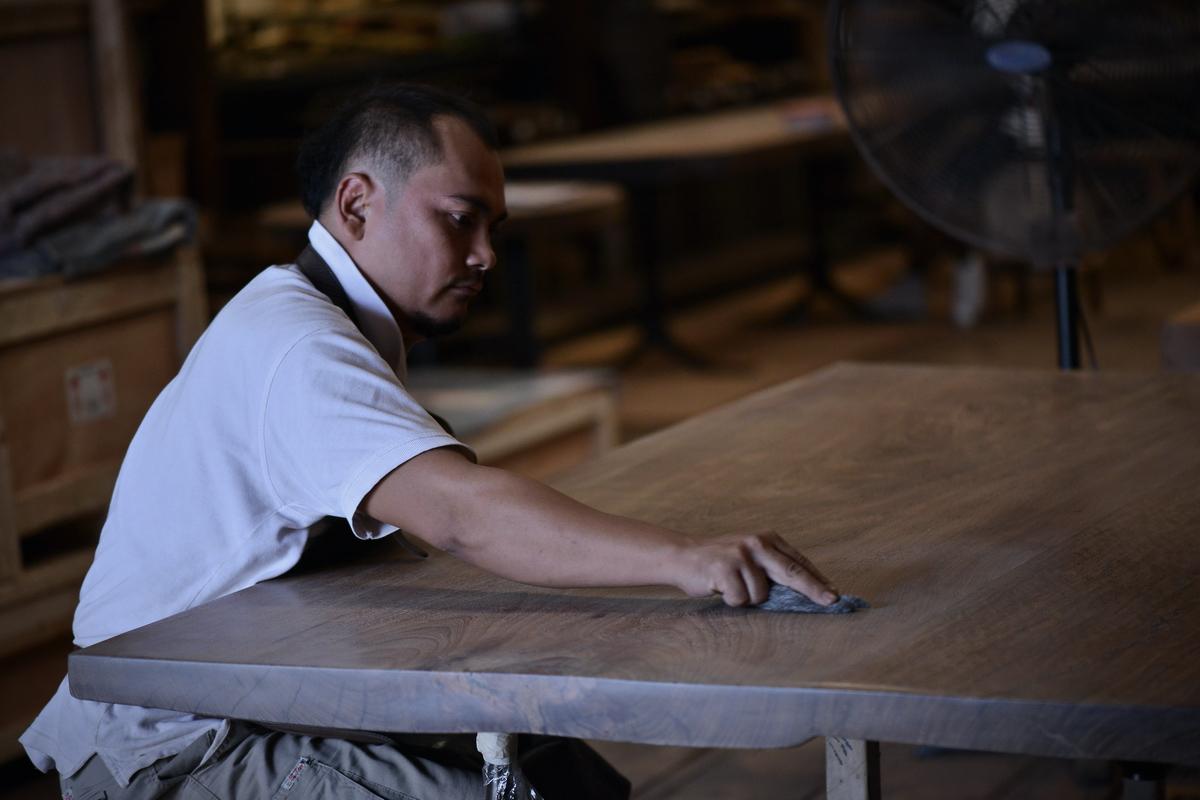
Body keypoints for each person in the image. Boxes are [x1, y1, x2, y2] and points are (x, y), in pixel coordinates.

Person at [21, 84, 838, 799]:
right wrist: (686, 560)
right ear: (356, 205)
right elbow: (459, 517)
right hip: (172, 745)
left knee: (562, 771)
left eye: (493, 226)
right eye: (459, 219)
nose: (484, 255)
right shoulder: (298, 347)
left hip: (262, 689)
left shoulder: (327, 321)